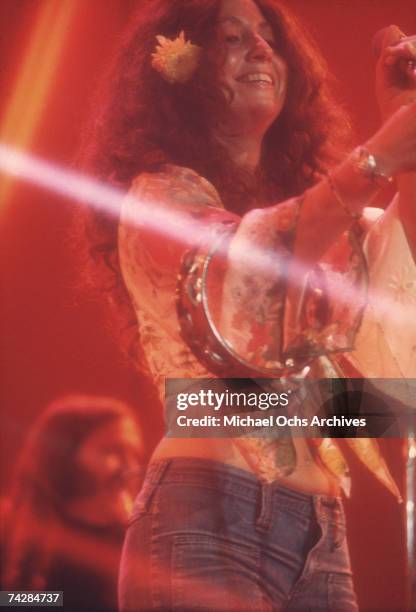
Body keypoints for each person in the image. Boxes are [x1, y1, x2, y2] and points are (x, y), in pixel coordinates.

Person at [77, 0, 416, 609]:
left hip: (323, 533)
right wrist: (376, 158)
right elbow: (244, 266)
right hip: (206, 514)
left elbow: (401, 276)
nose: (261, 49)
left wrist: (406, 124)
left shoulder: (325, 217)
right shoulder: (157, 196)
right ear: (181, 71)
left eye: (268, 38)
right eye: (233, 38)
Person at [1, 395, 145, 612]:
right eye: (113, 451)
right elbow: (8, 600)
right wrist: (59, 600)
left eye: (134, 454)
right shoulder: (11, 533)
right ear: (63, 456)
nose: (129, 467)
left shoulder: (140, 542)